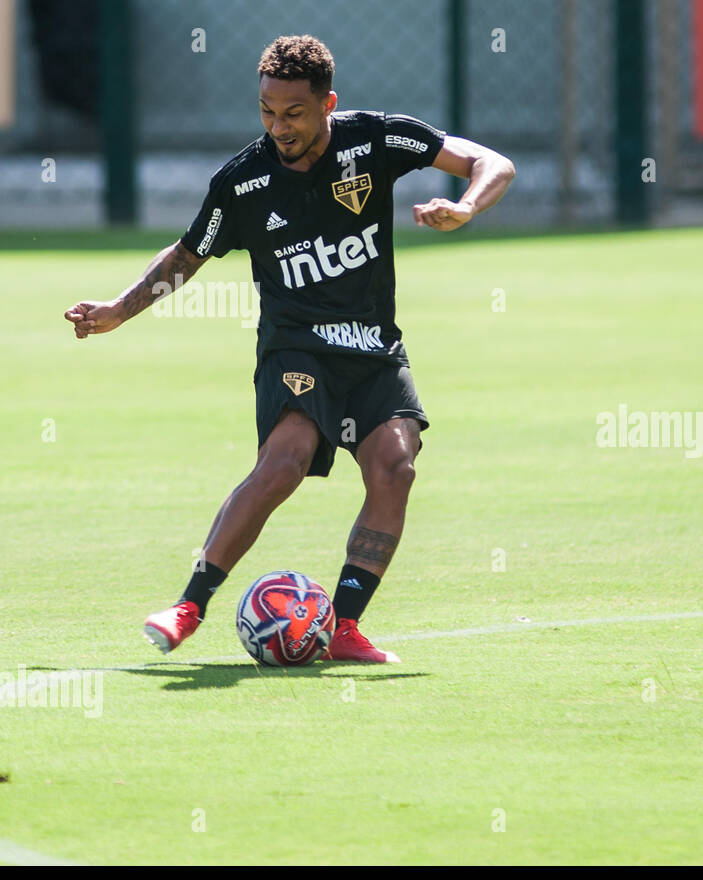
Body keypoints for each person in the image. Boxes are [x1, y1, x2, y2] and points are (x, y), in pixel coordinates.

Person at [62, 34, 514, 662]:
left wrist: (465, 208)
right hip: (294, 348)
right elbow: (188, 255)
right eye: (267, 112)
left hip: (373, 348)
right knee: (287, 458)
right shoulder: (242, 182)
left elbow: (494, 164)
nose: (279, 126)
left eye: (294, 113)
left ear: (328, 102)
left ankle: (346, 628)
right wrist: (119, 309)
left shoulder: (376, 139)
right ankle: (189, 606)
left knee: (395, 467)